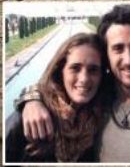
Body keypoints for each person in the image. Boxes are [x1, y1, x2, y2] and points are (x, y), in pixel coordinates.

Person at [17, 6, 130, 162]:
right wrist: (32, 100)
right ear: (107, 57)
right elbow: (54, 88)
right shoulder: (95, 97)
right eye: (118, 49)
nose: (129, 60)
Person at [6, 33, 110, 163]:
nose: (84, 79)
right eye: (75, 68)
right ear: (60, 71)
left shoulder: (101, 116)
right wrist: (31, 99)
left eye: (93, 70)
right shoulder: (26, 119)